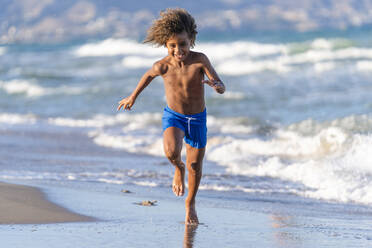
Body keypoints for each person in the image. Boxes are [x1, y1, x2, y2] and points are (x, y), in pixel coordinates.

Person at [117, 8, 225, 225]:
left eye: (182, 44)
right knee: (170, 152)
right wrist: (132, 97)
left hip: (197, 119)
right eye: (172, 45)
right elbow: (147, 76)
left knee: (195, 166)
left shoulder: (200, 60)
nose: (178, 50)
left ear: (191, 40)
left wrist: (217, 85)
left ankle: (190, 204)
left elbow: (221, 85)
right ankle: (178, 168)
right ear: (166, 45)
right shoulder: (162, 65)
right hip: (173, 116)